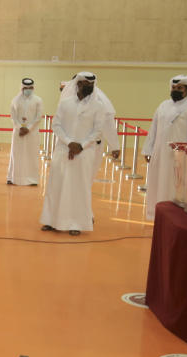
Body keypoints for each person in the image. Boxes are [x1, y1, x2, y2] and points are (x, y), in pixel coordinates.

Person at [40, 72, 119, 236]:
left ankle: (77, 222)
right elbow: (56, 125)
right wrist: (70, 142)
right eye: (83, 84)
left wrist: (80, 145)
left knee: (79, 188)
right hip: (63, 149)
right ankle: (51, 220)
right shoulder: (65, 103)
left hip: (85, 151)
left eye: (90, 84)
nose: (86, 87)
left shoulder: (99, 106)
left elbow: (98, 130)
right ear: (77, 84)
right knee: (57, 185)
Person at [141, 75, 187, 220]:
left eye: (180, 88)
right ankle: (155, 214)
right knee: (157, 184)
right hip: (160, 155)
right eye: (173, 87)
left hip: (180, 159)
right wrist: (148, 149)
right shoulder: (163, 105)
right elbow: (153, 128)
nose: (175, 90)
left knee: (174, 187)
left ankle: (173, 218)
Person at [7, 78, 44, 186]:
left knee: (31, 155)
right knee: (16, 154)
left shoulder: (38, 100)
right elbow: (13, 117)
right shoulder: (15, 100)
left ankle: (32, 179)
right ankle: (12, 177)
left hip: (32, 133)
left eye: (30, 88)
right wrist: (20, 127)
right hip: (18, 132)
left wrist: (28, 128)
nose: (28, 90)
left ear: (33, 88)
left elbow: (38, 117)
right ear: (22, 88)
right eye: (25, 88)